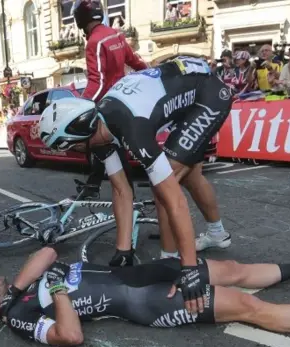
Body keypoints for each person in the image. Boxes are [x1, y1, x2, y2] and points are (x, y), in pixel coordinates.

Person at [38, 57, 234, 313]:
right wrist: (123, 250)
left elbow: (174, 199)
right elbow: (121, 189)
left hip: (208, 96)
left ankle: (171, 259)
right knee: (189, 174)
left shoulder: (131, 127)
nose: (72, 152)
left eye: (68, 148)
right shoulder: (100, 131)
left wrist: (190, 269)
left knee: (166, 183)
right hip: (185, 91)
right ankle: (217, 233)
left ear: (75, 140)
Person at [0, 236, 290, 346]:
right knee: (247, 307)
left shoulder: (16, 293)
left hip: (143, 273)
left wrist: (17, 285)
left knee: (230, 268)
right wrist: (57, 293)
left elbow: (49, 252)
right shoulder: (19, 318)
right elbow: (71, 337)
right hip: (142, 301)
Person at [71, 0, 147, 202]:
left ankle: (129, 201)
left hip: (108, 105)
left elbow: (98, 81)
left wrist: (81, 106)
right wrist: (151, 74)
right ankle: (93, 186)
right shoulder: (117, 34)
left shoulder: (94, 42)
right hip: (123, 100)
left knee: (110, 149)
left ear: (80, 19)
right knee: (104, 147)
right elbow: (135, 61)